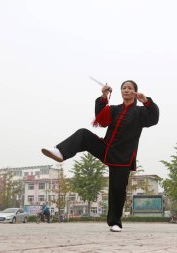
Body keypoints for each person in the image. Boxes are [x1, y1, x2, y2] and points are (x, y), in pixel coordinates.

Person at [41, 80, 159, 232]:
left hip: (123, 158)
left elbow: (154, 118)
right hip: (106, 148)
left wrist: (147, 102)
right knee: (83, 134)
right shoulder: (114, 109)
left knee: (117, 190)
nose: (126, 90)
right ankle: (60, 152)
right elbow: (101, 121)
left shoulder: (141, 112)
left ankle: (115, 222)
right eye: (124, 88)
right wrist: (104, 97)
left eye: (130, 88)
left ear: (135, 92)